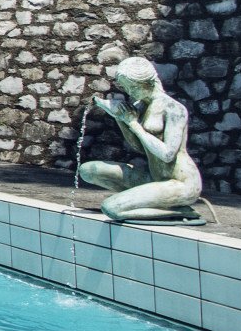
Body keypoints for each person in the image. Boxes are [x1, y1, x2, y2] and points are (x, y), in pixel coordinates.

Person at [77, 57, 204, 221]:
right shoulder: (141, 105)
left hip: (181, 183)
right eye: (126, 87)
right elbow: (137, 146)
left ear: (148, 82)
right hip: (155, 177)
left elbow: (167, 154)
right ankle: (139, 200)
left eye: (133, 86)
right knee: (88, 171)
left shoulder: (173, 108)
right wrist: (120, 118)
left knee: (111, 208)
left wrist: (134, 124)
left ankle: (181, 212)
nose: (129, 91)